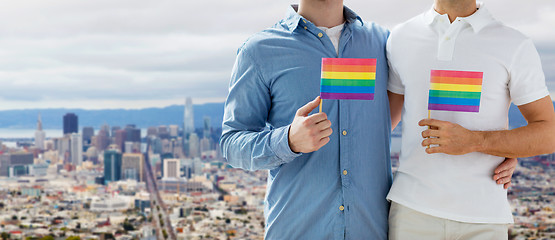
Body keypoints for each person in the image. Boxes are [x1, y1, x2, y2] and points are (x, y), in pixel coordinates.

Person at [220, 0, 393, 238]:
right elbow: (231, 145)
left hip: (370, 231)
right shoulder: (260, 50)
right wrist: (288, 141)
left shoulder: (383, 43)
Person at [386, 0, 555, 239]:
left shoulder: (513, 44)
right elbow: (380, 125)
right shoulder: (400, 37)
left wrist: (477, 141)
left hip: (484, 220)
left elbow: (549, 134)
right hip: (411, 213)